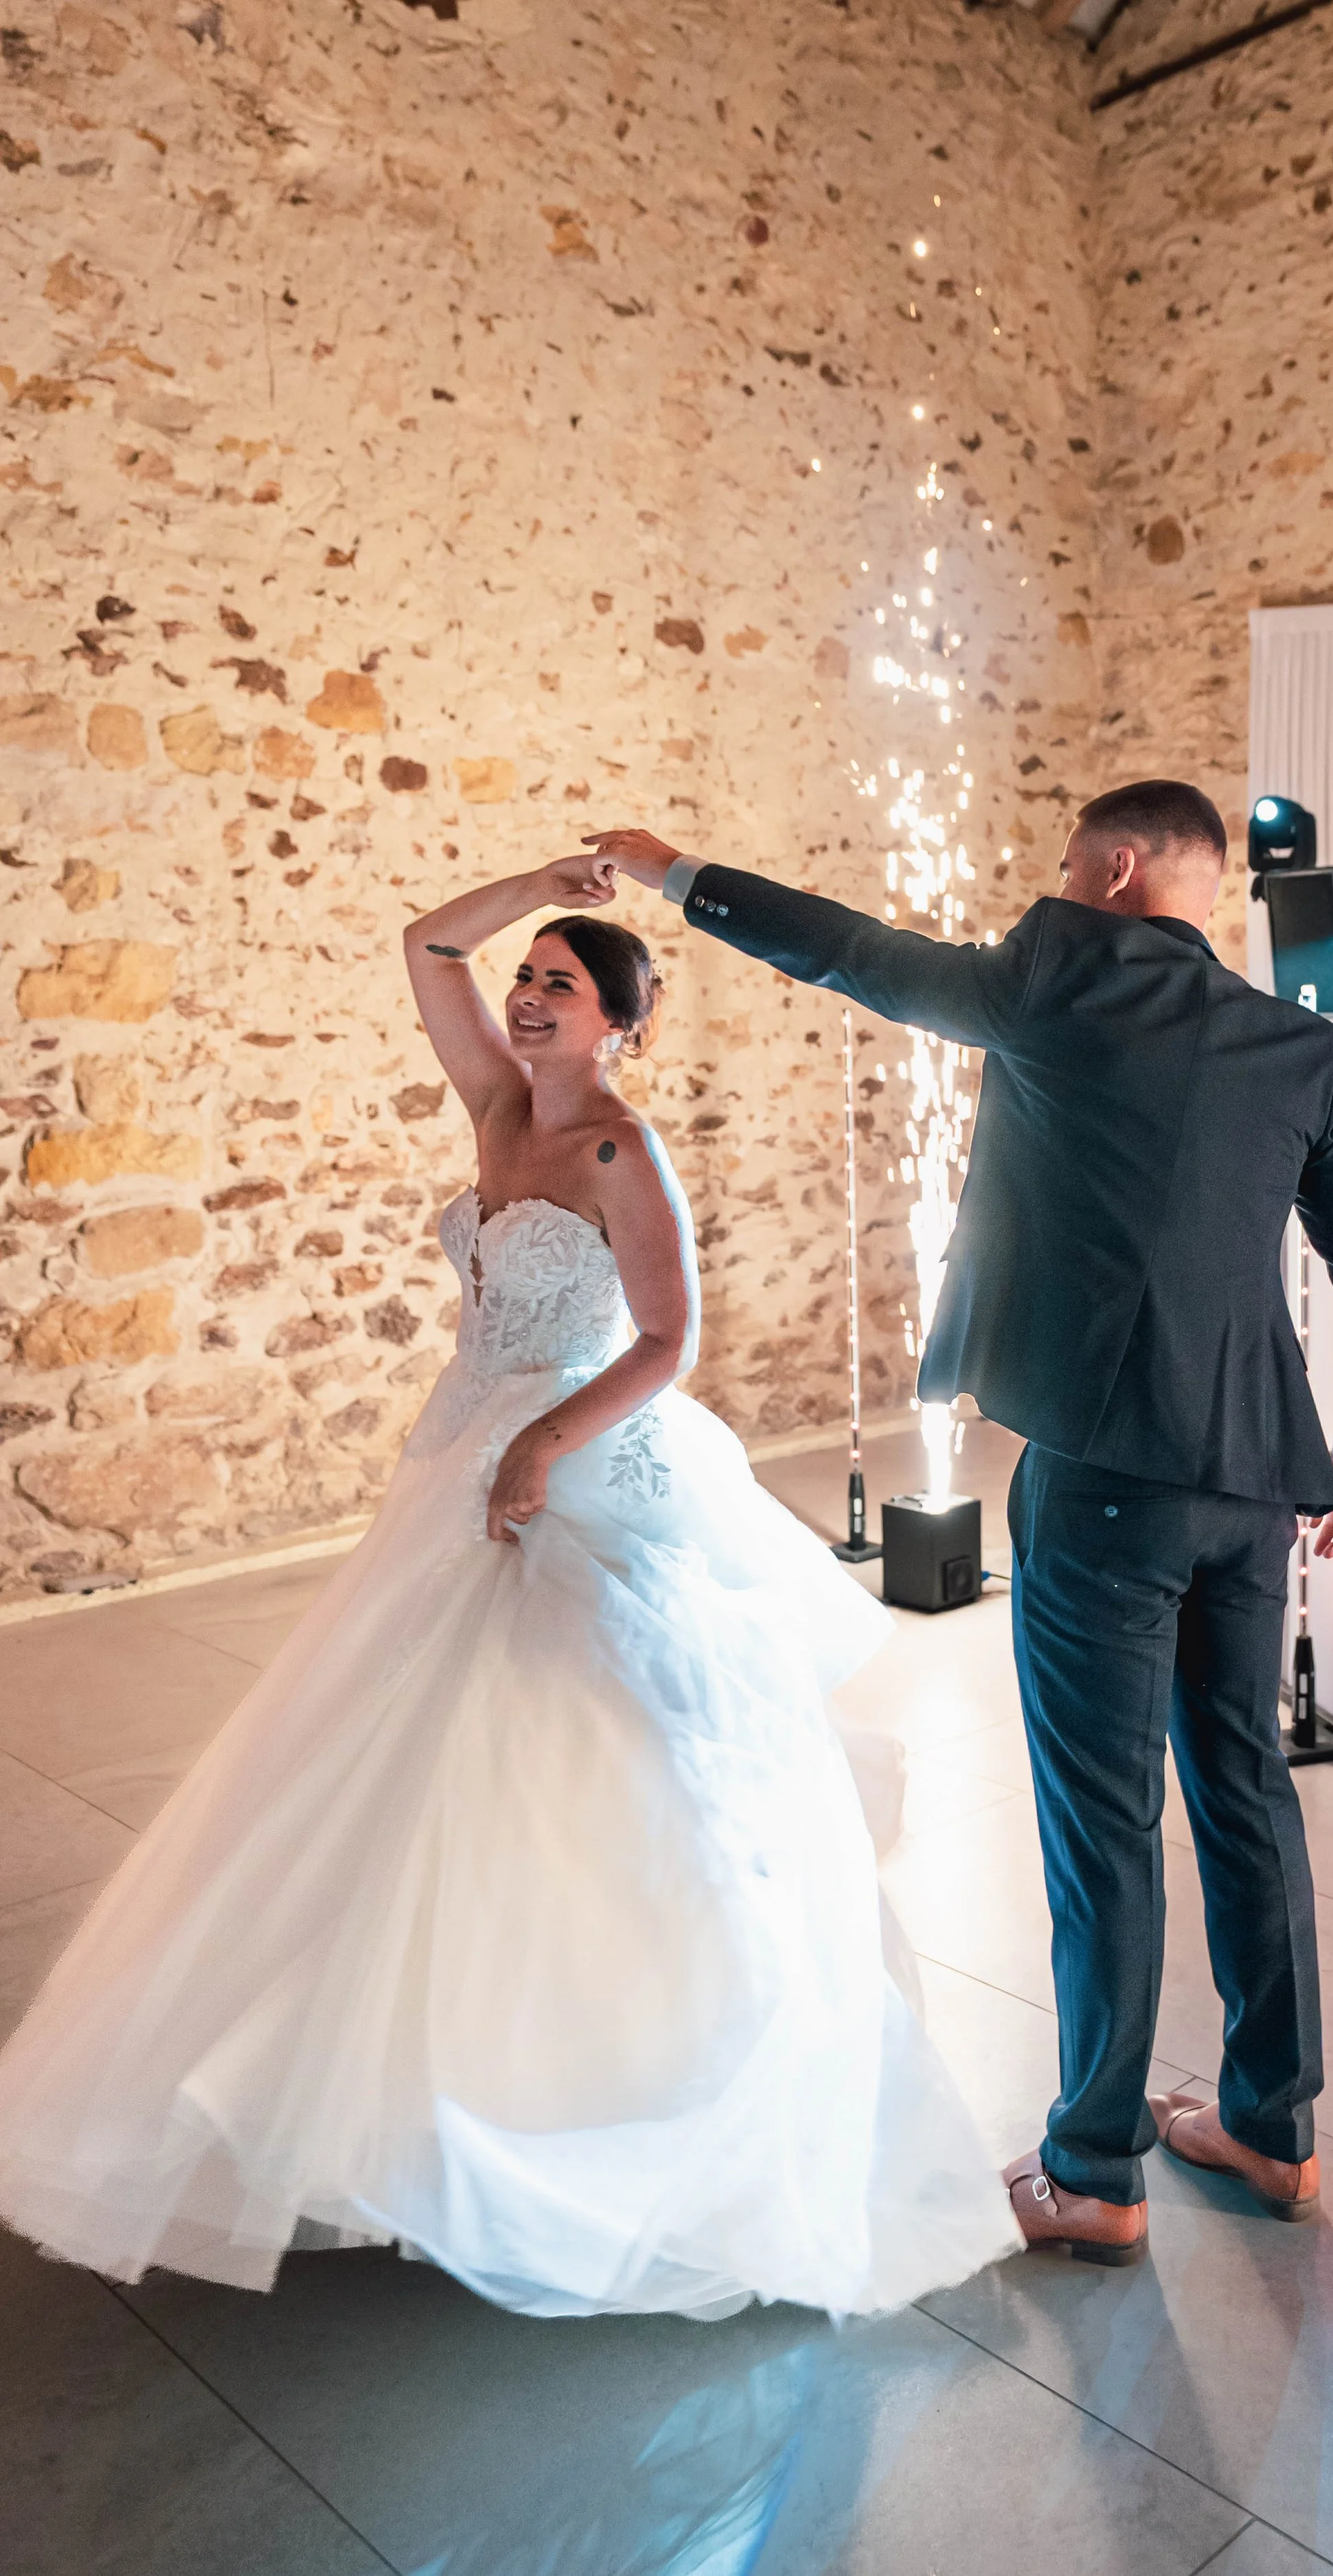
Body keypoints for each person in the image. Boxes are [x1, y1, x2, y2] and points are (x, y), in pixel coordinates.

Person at [0, 859, 1021, 2319]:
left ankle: (599, 2071)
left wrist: (542, 1443)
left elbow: (667, 1341)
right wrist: (543, 885)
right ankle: (397, 2083)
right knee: (401, 1745)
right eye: (530, 977)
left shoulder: (618, 1153)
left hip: (587, 1456)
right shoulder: (493, 1105)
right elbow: (425, 942)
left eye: (561, 984)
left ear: (619, 1026)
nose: (530, 997)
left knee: (599, 1732)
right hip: (461, 1446)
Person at [580, 787, 1333, 2263]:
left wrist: (674, 874)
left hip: (1103, 1475)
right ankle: (1273, 2131)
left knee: (1103, 1826)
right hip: (1248, 1486)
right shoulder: (1295, 1045)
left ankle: (1092, 2168)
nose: (1054, 885)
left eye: (1063, 866)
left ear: (1112, 867)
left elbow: (854, 951)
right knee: (1243, 1796)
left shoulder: (1057, 969)